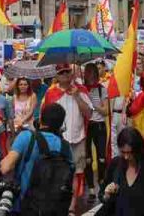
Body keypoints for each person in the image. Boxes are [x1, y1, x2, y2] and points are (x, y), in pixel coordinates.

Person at [0, 103, 73, 213]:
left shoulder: (27, 137)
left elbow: (5, 167)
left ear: (41, 119)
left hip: (26, 207)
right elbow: (71, 179)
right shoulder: (66, 147)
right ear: (61, 124)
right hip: (54, 209)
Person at [41, 64, 93, 213]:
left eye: (67, 71)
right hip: (57, 140)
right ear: (56, 76)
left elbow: (89, 114)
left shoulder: (81, 90)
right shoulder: (50, 93)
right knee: (56, 172)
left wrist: (77, 95)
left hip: (78, 138)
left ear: (71, 73)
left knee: (77, 172)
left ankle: (71, 206)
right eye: (61, 72)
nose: (64, 74)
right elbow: (45, 118)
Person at [98, 127, 144, 216]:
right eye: (123, 152)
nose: (126, 157)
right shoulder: (115, 164)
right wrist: (106, 194)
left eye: (130, 152)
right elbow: (102, 195)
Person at [83, 64, 108, 200]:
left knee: (101, 158)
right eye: (89, 72)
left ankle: (102, 185)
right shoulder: (82, 89)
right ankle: (91, 189)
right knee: (87, 159)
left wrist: (94, 106)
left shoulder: (101, 90)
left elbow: (105, 111)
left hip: (99, 126)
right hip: (87, 126)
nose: (91, 75)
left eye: (94, 72)